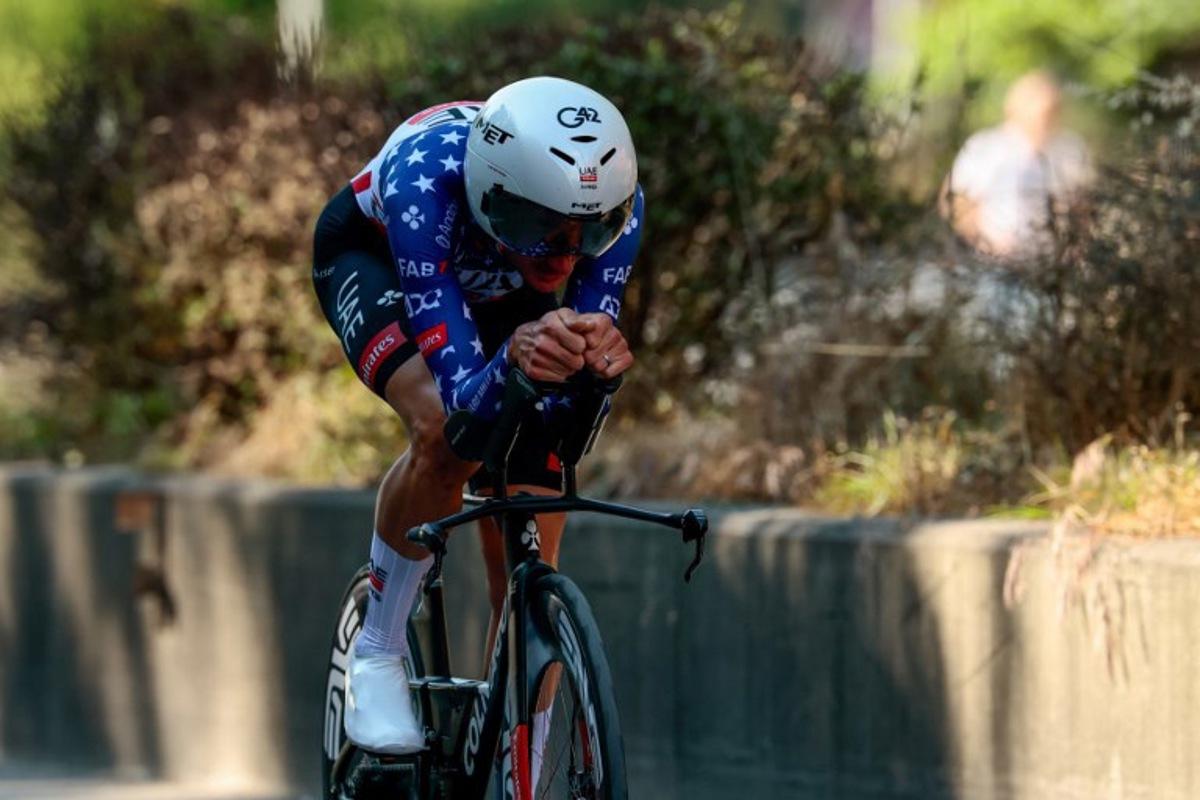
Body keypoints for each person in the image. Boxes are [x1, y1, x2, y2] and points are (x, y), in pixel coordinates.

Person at [310, 77, 643, 766]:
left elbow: (573, 418)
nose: (566, 253)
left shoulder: (616, 207)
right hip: (386, 264)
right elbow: (465, 402)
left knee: (536, 480)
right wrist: (517, 361)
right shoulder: (423, 187)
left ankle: (522, 737)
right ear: (494, 198)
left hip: (501, 287)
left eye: (590, 231)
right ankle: (378, 648)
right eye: (545, 228)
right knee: (442, 433)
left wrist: (598, 369)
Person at [940, 70, 1093, 258]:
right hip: (993, 265)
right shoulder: (984, 147)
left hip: (1055, 264)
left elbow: (1082, 205)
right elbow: (956, 203)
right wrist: (983, 244)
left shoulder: (1071, 148)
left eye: (1051, 111)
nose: (1044, 119)